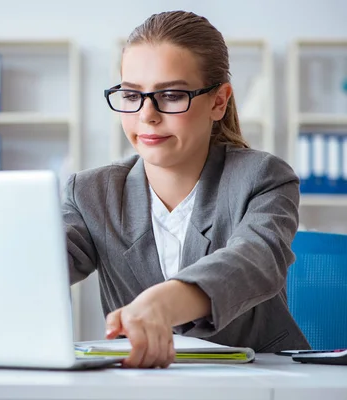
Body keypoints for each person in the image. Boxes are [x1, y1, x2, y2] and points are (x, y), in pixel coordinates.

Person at [63, 10, 310, 369]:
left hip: (259, 378)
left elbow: (256, 260)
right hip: (143, 384)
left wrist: (163, 302)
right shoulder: (89, 193)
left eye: (172, 95)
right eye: (132, 95)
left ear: (218, 101)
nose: (147, 114)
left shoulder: (263, 177)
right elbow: (36, 267)